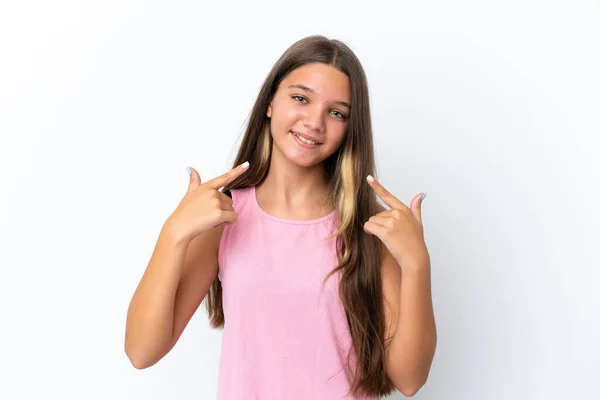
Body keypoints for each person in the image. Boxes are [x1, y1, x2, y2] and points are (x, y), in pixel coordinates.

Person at [125, 35, 437, 399]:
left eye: (336, 112)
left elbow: (409, 379)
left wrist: (416, 263)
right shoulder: (224, 217)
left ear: (349, 127)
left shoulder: (370, 230)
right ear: (270, 101)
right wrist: (174, 232)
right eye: (301, 98)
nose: (315, 122)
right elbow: (141, 352)